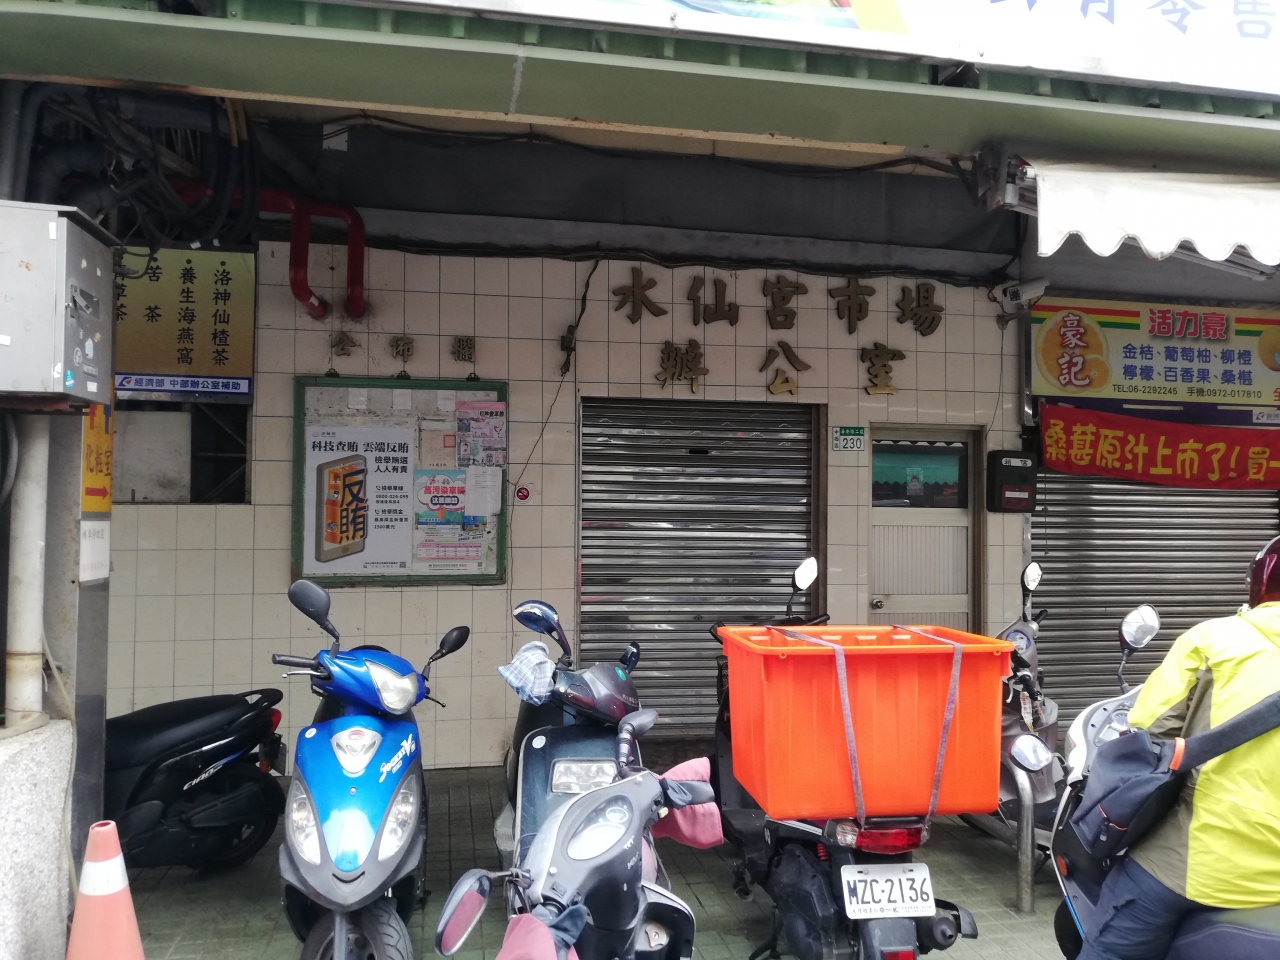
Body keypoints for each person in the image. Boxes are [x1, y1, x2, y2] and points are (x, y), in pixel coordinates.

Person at [1078, 535, 1280, 960]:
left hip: (1198, 866)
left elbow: (1148, 728)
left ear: (1259, 583)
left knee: (1111, 946)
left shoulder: (1215, 640)